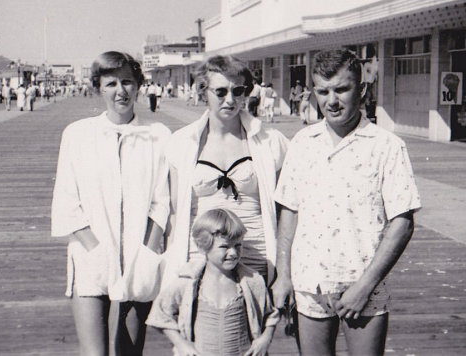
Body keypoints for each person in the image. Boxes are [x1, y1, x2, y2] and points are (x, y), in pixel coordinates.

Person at [272, 49, 422, 355]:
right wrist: (283, 276)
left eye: (342, 89)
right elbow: (289, 211)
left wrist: (364, 287)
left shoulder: (387, 146)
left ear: (363, 90)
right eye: (323, 91)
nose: (332, 101)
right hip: (309, 283)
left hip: (364, 286)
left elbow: (403, 223)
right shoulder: (302, 142)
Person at [51, 51, 170, 356]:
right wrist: (97, 252)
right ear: (99, 87)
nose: (121, 91)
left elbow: (161, 202)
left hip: (137, 260)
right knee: (94, 353)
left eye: (128, 82)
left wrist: (145, 254)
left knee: (131, 352)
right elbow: (67, 202)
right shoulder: (78, 134)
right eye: (112, 83)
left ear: (139, 86)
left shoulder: (157, 137)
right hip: (91, 257)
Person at [162, 55, 289, 288]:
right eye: (220, 92)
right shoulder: (181, 142)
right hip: (199, 257)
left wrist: (284, 271)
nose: (230, 99)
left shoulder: (271, 141)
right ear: (203, 92)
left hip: (256, 255)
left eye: (238, 91)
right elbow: (173, 211)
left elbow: (285, 212)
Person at [147, 208, 279, 356]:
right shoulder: (188, 283)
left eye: (238, 245)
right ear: (203, 246)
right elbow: (160, 314)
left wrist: (264, 339)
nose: (233, 253)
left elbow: (271, 316)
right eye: (224, 247)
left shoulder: (251, 281)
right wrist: (181, 344)